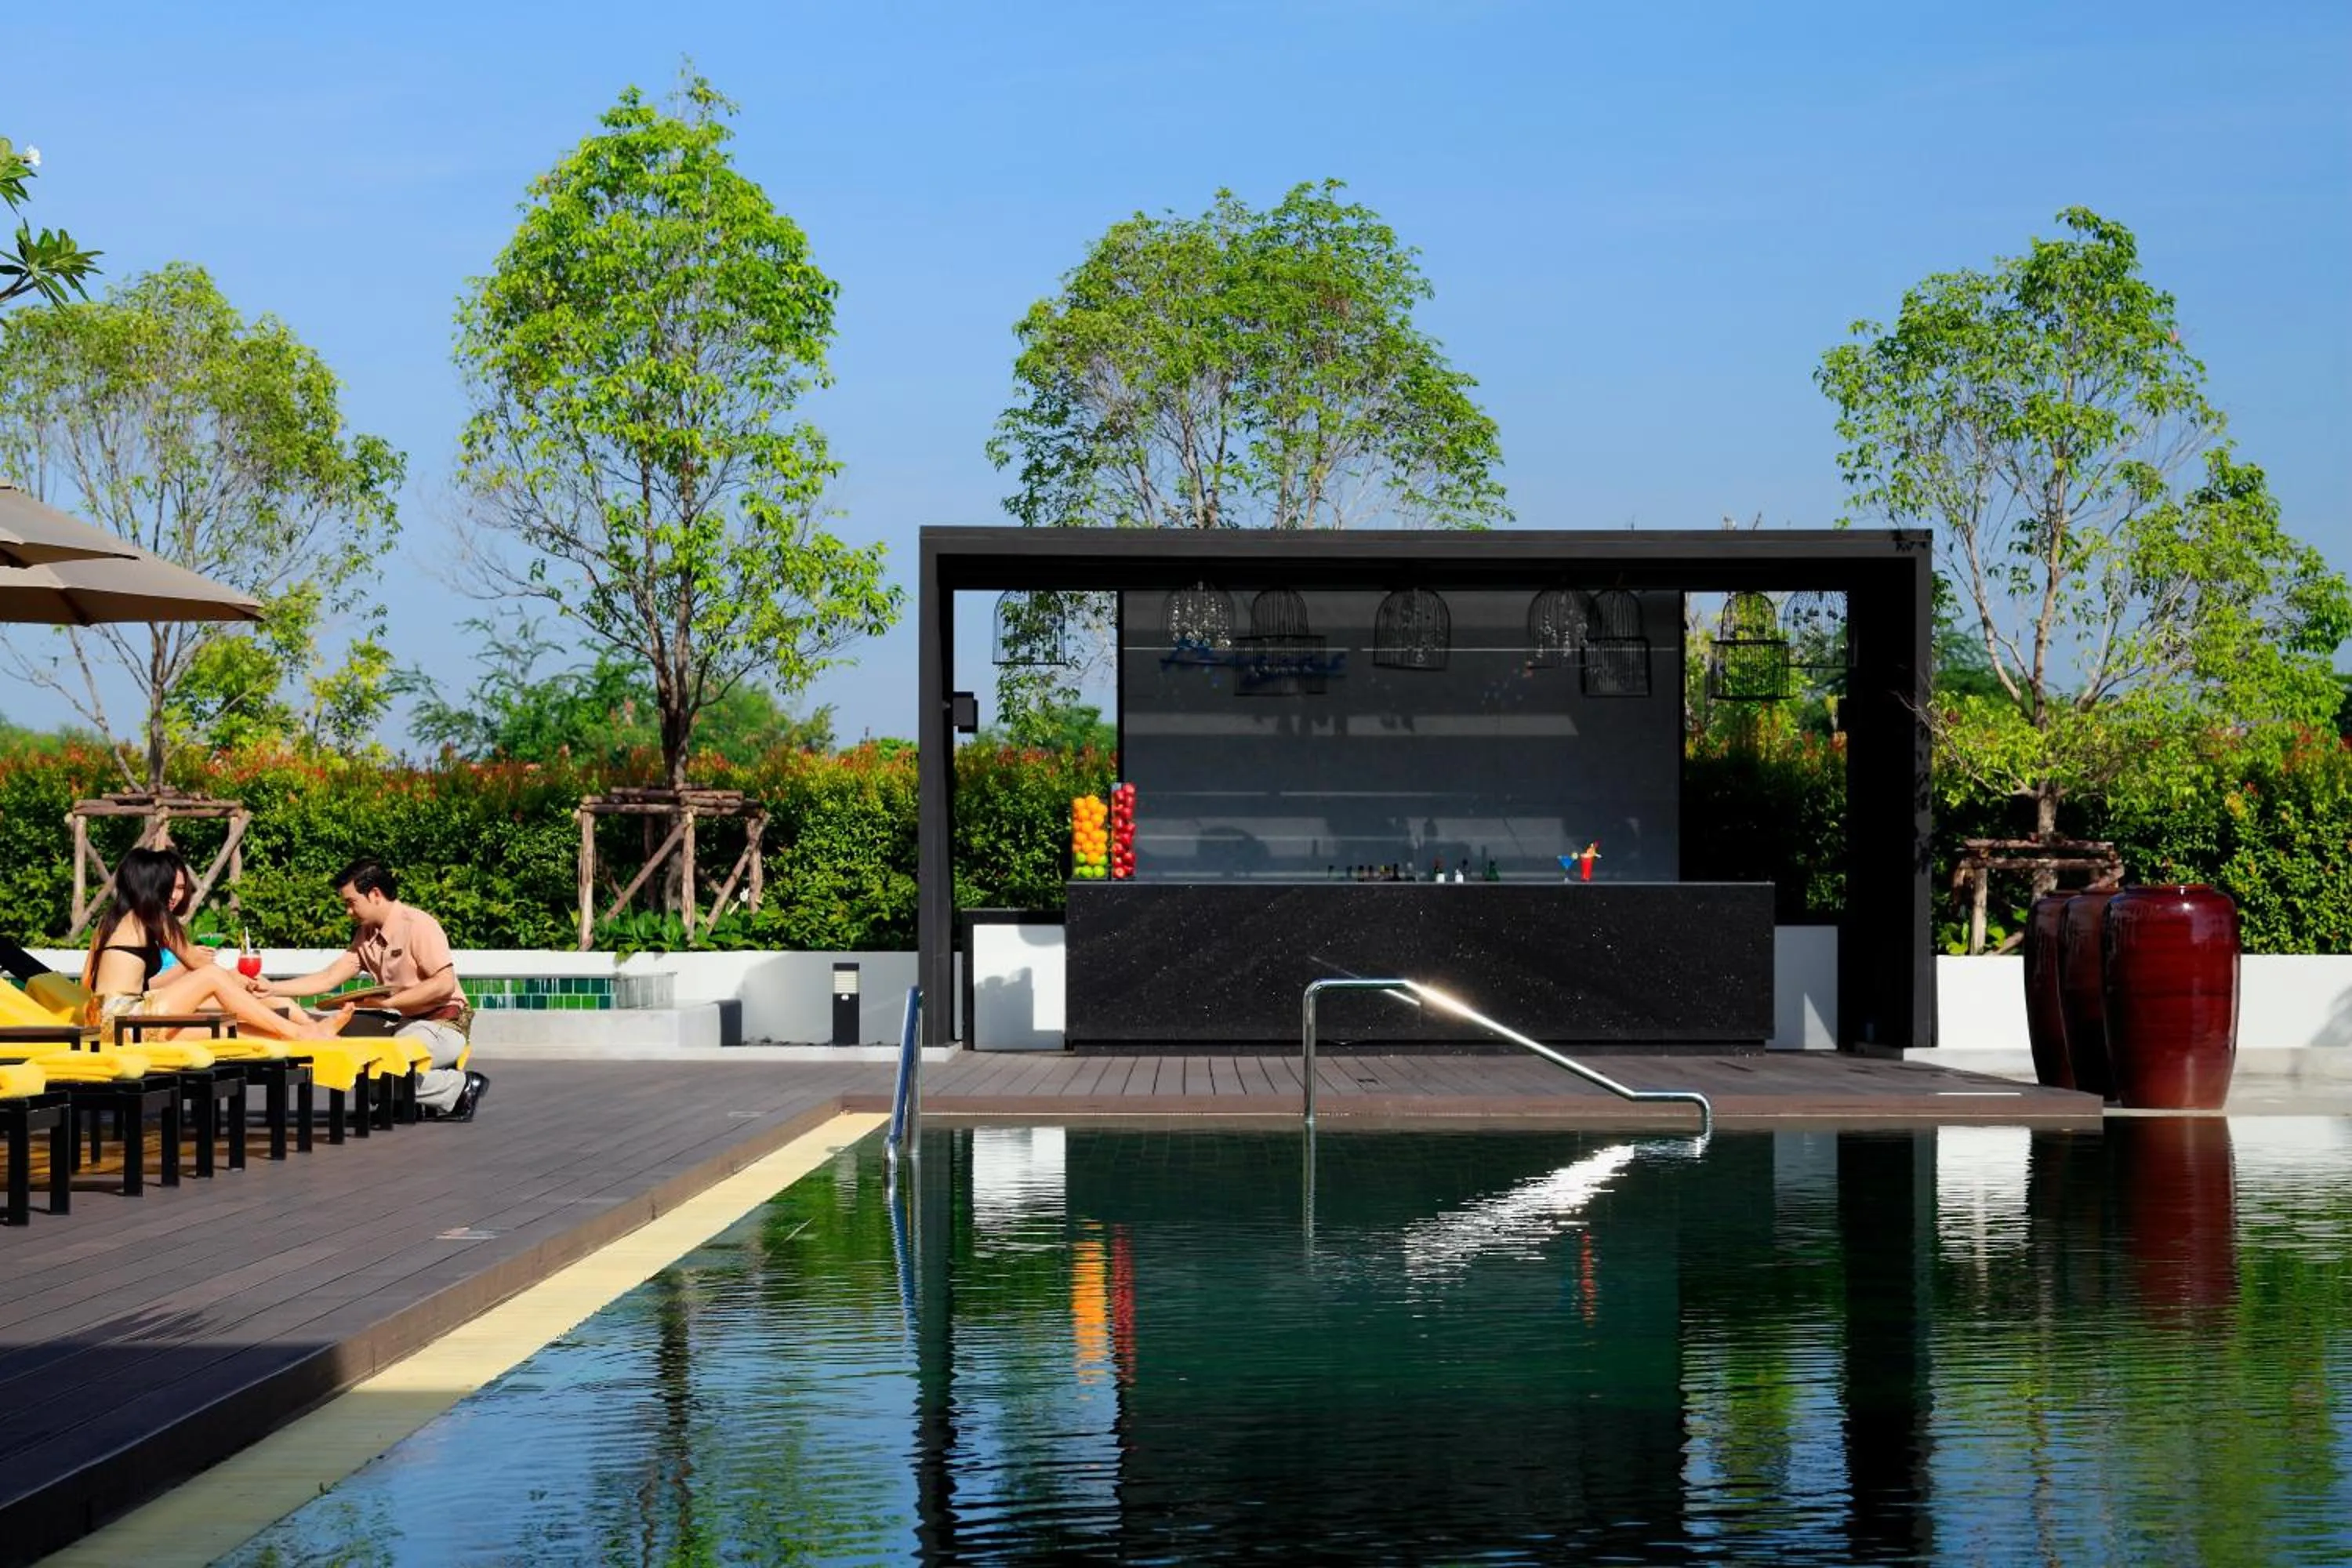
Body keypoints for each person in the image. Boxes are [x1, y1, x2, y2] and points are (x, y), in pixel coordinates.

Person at [251, 858, 489, 1122]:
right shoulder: (365, 935)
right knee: (328, 1036)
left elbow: (443, 984)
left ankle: (460, 1087)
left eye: (351, 903)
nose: (348, 912)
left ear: (375, 894)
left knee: (385, 1064)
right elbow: (329, 978)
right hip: (406, 1023)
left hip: (444, 1025)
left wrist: (389, 1003)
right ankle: (398, 1097)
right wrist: (271, 989)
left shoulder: (418, 925)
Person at [82, 847, 355, 1040]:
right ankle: (300, 1031)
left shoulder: (110, 921)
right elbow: (200, 965)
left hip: (108, 1022)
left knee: (229, 1030)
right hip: (123, 1021)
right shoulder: (151, 913)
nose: (175, 895)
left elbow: (89, 980)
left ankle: (310, 1030)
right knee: (214, 978)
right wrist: (235, 979)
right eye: (169, 886)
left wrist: (235, 983)